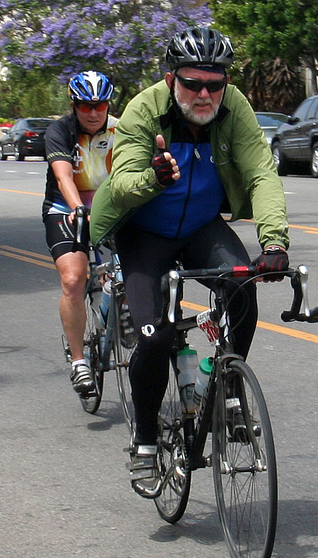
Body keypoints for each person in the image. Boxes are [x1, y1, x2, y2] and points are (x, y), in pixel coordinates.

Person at [90, 27, 289, 498]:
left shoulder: (233, 107)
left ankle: (230, 393)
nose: (204, 94)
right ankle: (143, 441)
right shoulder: (144, 109)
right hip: (144, 230)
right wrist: (153, 178)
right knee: (153, 337)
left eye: (214, 84)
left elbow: (262, 172)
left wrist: (275, 242)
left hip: (201, 226)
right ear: (170, 78)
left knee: (243, 289)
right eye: (192, 82)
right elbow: (120, 187)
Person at [43, 71, 117, 395]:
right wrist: (77, 207)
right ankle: (79, 361)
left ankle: (116, 308)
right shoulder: (60, 130)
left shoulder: (120, 130)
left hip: (111, 209)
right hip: (66, 209)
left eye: (99, 105)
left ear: (107, 104)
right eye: (85, 106)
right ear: (74, 105)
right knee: (74, 279)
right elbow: (64, 178)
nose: (92, 112)